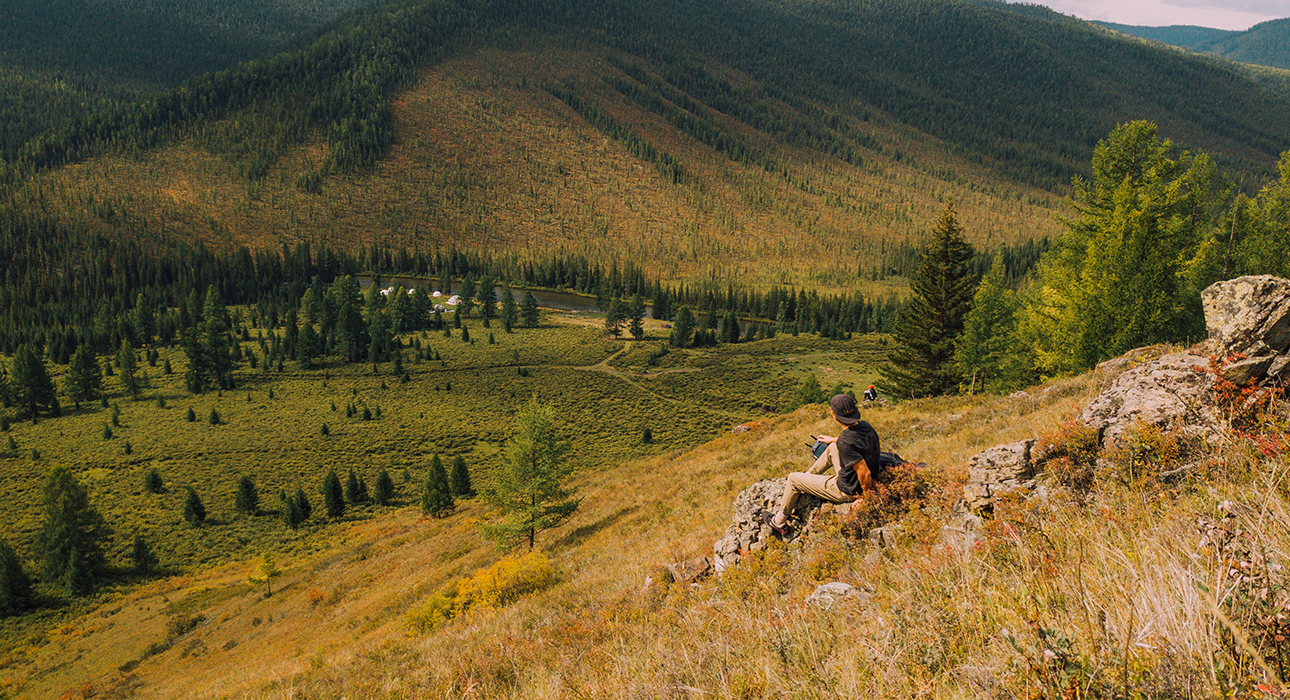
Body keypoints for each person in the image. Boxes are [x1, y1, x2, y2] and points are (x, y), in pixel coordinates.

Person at [764, 393, 880, 535]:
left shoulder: (845, 442)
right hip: (856, 479)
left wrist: (865, 498)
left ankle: (779, 521)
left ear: (834, 414)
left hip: (847, 489)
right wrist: (833, 440)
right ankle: (807, 479)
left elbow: (864, 473)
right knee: (832, 448)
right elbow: (852, 441)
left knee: (793, 478)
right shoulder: (865, 426)